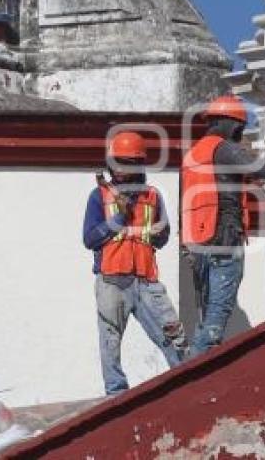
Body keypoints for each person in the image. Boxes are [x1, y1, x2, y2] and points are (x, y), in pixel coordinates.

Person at [82, 131, 186, 395]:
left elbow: (162, 236)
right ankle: (116, 394)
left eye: (127, 163)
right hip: (112, 281)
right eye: (117, 163)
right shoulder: (100, 196)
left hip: (146, 280)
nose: (120, 170)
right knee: (110, 343)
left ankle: (187, 384)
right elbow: (89, 238)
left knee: (174, 337)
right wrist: (118, 218)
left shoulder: (152, 196)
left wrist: (156, 234)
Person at [181, 95, 265, 355]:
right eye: (239, 129)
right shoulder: (222, 148)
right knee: (216, 315)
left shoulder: (194, 154)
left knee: (205, 314)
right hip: (224, 239)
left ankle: (196, 368)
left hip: (198, 243)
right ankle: (192, 377)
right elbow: (260, 168)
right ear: (234, 125)